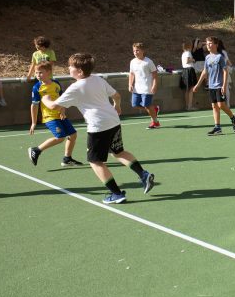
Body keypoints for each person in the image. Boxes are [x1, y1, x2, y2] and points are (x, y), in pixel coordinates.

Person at [41, 53, 156, 204]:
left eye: (71, 66)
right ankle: (143, 174)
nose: (68, 68)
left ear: (79, 71)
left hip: (98, 126)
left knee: (95, 162)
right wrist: (117, 106)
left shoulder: (75, 87)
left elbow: (54, 106)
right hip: (113, 121)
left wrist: (45, 99)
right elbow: (116, 95)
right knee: (119, 152)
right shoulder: (98, 79)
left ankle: (116, 194)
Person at [28, 62, 83, 167]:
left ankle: (67, 159)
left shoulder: (56, 83)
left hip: (60, 115)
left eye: (40, 72)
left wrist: (63, 110)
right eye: (36, 73)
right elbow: (34, 105)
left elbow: (62, 99)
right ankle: (36, 150)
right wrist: (33, 123)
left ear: (49, 72)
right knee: (60, 137)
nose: (38, 75)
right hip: (49, 117)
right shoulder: (37, 87)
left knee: (73, 135)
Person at [192, 36, 235, 136]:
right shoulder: (207, 57)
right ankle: (217, 127)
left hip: (219, 85)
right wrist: (197, 85)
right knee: (214, 106)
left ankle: (233, 117)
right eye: (207, 43)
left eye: (210, 43)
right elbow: (205, 72)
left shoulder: (220, 57)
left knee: (221, 105)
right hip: (211, 85)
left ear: (216, 45)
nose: (208, 45)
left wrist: (224, 85)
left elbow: (225, 71)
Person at [128, 42, 160, 129]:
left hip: (147, 88)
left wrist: (154, 85)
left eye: (137, 50)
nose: (135, 52)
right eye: (134, 51)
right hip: (136, 89)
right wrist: (130, 84)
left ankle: (156, 122)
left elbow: (155, 75)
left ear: (143, 51)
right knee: (135, 104)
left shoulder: (148, 62)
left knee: (146, 105)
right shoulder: (132, 62)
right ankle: (154, 109)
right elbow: (131, 74)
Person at [180, 41, 197, 110]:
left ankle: (187, 106)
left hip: (185, 70)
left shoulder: (183, 53)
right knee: (190, 89)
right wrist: (193, 60)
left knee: (187, 89)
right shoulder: (188, 53)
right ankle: (190, 106)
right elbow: (187, 61)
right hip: (189, 70)